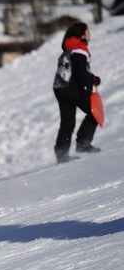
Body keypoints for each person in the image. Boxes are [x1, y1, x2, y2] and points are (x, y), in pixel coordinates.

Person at [52, 21, 101, 164]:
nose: (90, 34)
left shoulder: (69, 48)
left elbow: (76, 70)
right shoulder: (80, 49)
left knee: (67, 122)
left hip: (60, 88)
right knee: (94, 112)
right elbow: (80, 71)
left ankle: (62, 154)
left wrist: (92, 78)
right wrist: (87, 88)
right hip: (71, 88)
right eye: (88, 32)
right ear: (82, 35)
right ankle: (83, 143)